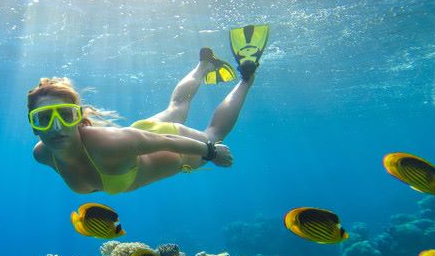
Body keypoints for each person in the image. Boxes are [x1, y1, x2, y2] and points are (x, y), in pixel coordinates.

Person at [27, 25, 269, 195]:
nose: (56, 126)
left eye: (65, 115)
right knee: (176, 106)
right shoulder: (42, 154)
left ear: (79, 118)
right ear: (33, 126)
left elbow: (166, 141)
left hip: (169, 149)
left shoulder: (109, 144)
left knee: (214, 133)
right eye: (44, 119)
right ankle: (204, 65)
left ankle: (247, 78)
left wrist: (210, 152)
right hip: (141, 134)